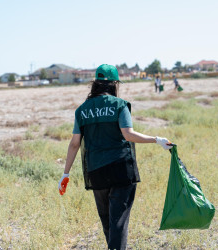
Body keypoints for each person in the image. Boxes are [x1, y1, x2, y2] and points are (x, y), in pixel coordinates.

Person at [58, 64, 172, 250]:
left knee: (107, 222)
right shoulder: (119, 105)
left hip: (96, 171)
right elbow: (128, 135)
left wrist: (65, 174)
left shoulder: (82, 110)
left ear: (96, 83)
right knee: (118, 221)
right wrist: (156, 140)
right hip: (120, 169)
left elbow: (74, 144)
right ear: (113, 84)